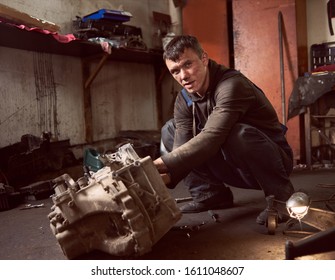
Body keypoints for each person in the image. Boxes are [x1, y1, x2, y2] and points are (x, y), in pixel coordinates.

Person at [153, 35, 295, 224]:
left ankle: (282, 199)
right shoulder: (184, 99)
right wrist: (160, 179)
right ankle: (210, 195)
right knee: (170, 129)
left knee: (237, 133)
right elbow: (181, 149)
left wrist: (151, 168)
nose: (183, 76)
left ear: (204, 58)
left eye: (188, 65)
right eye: (175, 71)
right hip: (229, 165)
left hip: (272, 162)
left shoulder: (232, 85)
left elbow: (212, 137)